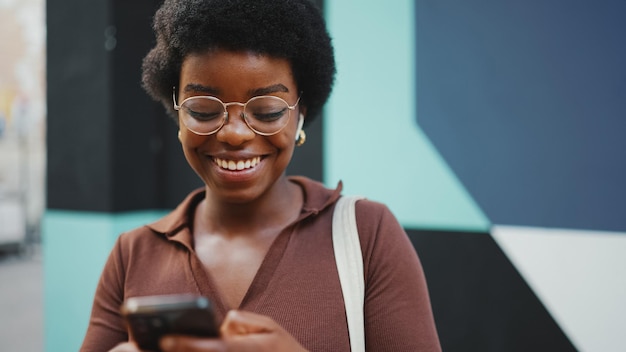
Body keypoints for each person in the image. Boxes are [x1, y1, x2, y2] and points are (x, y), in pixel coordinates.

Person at [80, 0, 441, 351]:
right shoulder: (134, 253)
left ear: (301, 112)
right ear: (178, 114)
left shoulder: (366, 235)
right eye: (203, 109)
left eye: (267, 111)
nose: (234, 134)